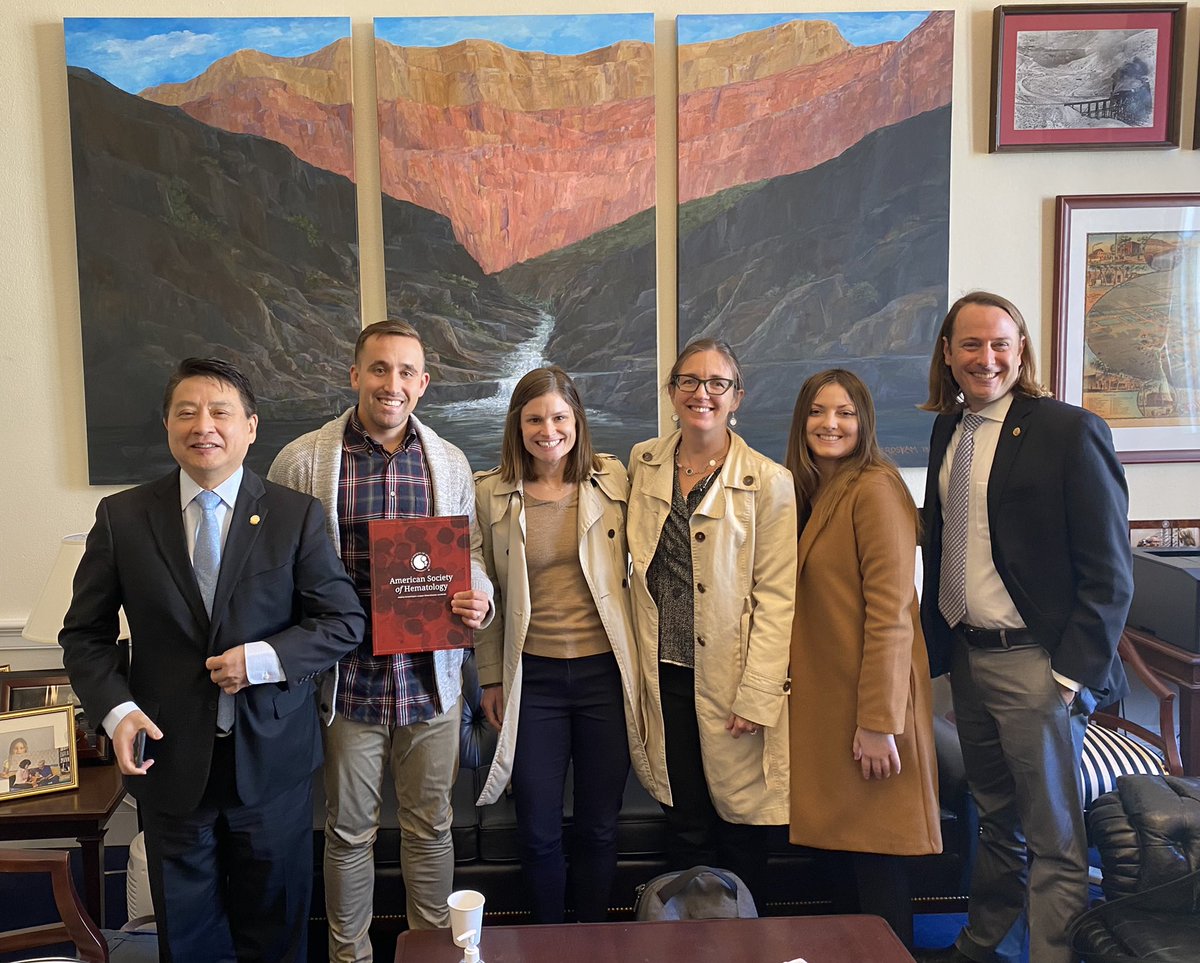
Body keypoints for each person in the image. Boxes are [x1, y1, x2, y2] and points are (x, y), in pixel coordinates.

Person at [59, 357, 365, 963]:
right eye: (187, 412)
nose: (205, 425)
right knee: (190, 940)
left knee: (274, 937)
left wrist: (265, 658)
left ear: (250, 428)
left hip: (271, 765)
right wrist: (117, 711)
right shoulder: (123, 517)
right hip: (170, 764)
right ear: (169, 426)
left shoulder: (293, 515)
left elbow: (344, 621)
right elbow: (84, 634)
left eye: (221, 411)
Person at [916, 292, 1133, 963]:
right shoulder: (949, 430)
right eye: (971, 345)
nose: (986, 358)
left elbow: (1111, 572)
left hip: (1038, 664)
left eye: (1000, 343)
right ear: (948, 354)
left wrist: (1067, 678)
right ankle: (986, 947)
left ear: (1021, 350)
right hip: (971, 660)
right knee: (995, 820)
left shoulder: (1068, 430)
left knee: (1054, 840)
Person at [269, 319, 493, 961]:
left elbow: (468, 554)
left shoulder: (449, 461)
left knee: (431, 829)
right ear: (355, 375)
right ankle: (351, 957)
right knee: (347, 833)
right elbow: (281, 569)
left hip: (431, 679)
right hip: (349, 681)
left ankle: (433, 953)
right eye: (378, 368)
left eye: (405, 372)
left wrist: (481, 595)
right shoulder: (304, 460)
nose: (390, 384)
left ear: (423, 383)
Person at [474, 366, 653, 923]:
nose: (547, 429)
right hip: (534, 682)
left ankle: (593, 939)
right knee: (537, 828)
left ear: (576, 420)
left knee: (601, 826)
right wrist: (491, 678)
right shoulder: (491, 494)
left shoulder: (614, 480)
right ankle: (551, 941)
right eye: (534, 419)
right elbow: (485, 591)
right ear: (517, 425)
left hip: (605, 677)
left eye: (558, 417)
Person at [626, 338, 796, 902]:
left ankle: (747, 940)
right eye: (690, 382)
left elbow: (777, 595)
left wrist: (759, 692)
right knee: (684, 819)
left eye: (717, 383)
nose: (703, 393)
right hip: (664, 671)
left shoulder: (769, 481)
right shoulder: (642, 462)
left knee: (741, 820)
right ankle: (689, 938)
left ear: (737, 397)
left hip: (732, 677)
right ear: (672, 392)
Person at [784, 369, 940, 949]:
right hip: (830, 708)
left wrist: (879, 724)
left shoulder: (875, 488)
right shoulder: (819, 490)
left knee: (878, 867)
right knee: (845, 867)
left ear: (864, 422)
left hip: (870, 712)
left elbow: (893, 612)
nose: (830, 424)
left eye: (845, 413)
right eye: (818, 412)